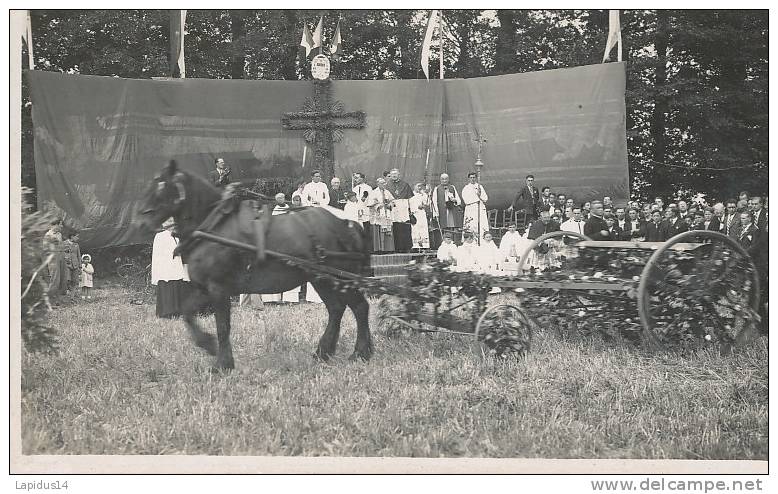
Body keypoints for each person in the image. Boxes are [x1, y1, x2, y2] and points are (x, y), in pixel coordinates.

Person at [151, 217, 191, 318]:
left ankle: (176, 310)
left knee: (176, 284)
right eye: (168, 222)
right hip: (165, 266)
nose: (171, 224)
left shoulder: (176, 236)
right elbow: (158, 253)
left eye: (172, 222)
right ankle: (166, 311)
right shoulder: (160, 236)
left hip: (176, 265)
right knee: (167, 286)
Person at [430, 173, 463, 246]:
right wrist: (436, 213)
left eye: (446, 179)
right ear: (440, 180)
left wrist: (454, 200)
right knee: (443, 226)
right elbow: (434, 201)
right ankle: (443, 243)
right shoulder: (437, 188)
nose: (444, 180)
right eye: (443, 179)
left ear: (448, 179)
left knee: (452, 226)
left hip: (451, 210)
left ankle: (452, 243)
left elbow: (458, 200)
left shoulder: (452, 187)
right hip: (442, 211)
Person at [386, 168, 414, 253]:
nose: (394, 175)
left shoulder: (405, 185)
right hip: (393, 208)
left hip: (403, 207)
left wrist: (411, 210)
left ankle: (407, 247)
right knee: (395, 227)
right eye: (392, 174)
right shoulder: (387, 185)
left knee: (405, 226)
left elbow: (410, 199)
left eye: (396, 174)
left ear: (399, 175)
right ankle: (397, 247)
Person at [43, 219, 69, 302]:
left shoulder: (59, 234)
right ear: (55, 225)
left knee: (63, 277)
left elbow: (61, 245)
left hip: (61, 256)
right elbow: (45, 249)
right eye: (60, 224)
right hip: (53, 258)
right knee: (55, 279)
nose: (61, 226)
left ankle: (59, 299)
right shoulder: (48, 235)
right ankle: (50, 300)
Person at [367, 177, 395, 253]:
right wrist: (378, 206)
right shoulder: (373, 192)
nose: (384, 185)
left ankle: (388, 249)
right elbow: (370, 204)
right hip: (378, 214)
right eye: (382, 183)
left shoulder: (387, 192)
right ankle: (379, 249)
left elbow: (393, 201)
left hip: (387, 214)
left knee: (388, 229)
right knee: (378, 230)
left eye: (384, 183)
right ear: (378, 184)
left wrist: (390, 204)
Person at [461, 171, 490, 241]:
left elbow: (485, 198)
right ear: (468, 179)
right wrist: (476, 198)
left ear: (476, 178)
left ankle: (482, 239)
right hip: (471, 209)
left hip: (479, 208)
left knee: (481, 224)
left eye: (474, 177)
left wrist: (479, 195)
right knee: (471, 224)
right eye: (471, 177)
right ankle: (470, 240)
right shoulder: (466, 188)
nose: (472, 179)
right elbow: (466, 200)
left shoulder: (480, 187)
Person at [409, 183, 430, 250]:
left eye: (420, 186)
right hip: (415, 214)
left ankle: (424, 245)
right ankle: (416, 245)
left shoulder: (422, 195)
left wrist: (424, 194)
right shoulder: (411, 194)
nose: (419, 188)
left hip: (422, 214)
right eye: (418, 186)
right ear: (414, 186)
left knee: (423, 229)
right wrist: (416, 208)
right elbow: (410, 204)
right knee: (415, 229)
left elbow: (427, 203)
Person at [63, 231, 81, 296]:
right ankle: (67, 291)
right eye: (77, 236)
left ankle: (72, 296)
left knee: (75, 281)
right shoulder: (64, 243)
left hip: (75, 265)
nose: (78, 238)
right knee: (67, 280)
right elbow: (61, 254)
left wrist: (80, 266)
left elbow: (78, 256)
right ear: (72, 236)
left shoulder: (76, 245)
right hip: (67, 265)